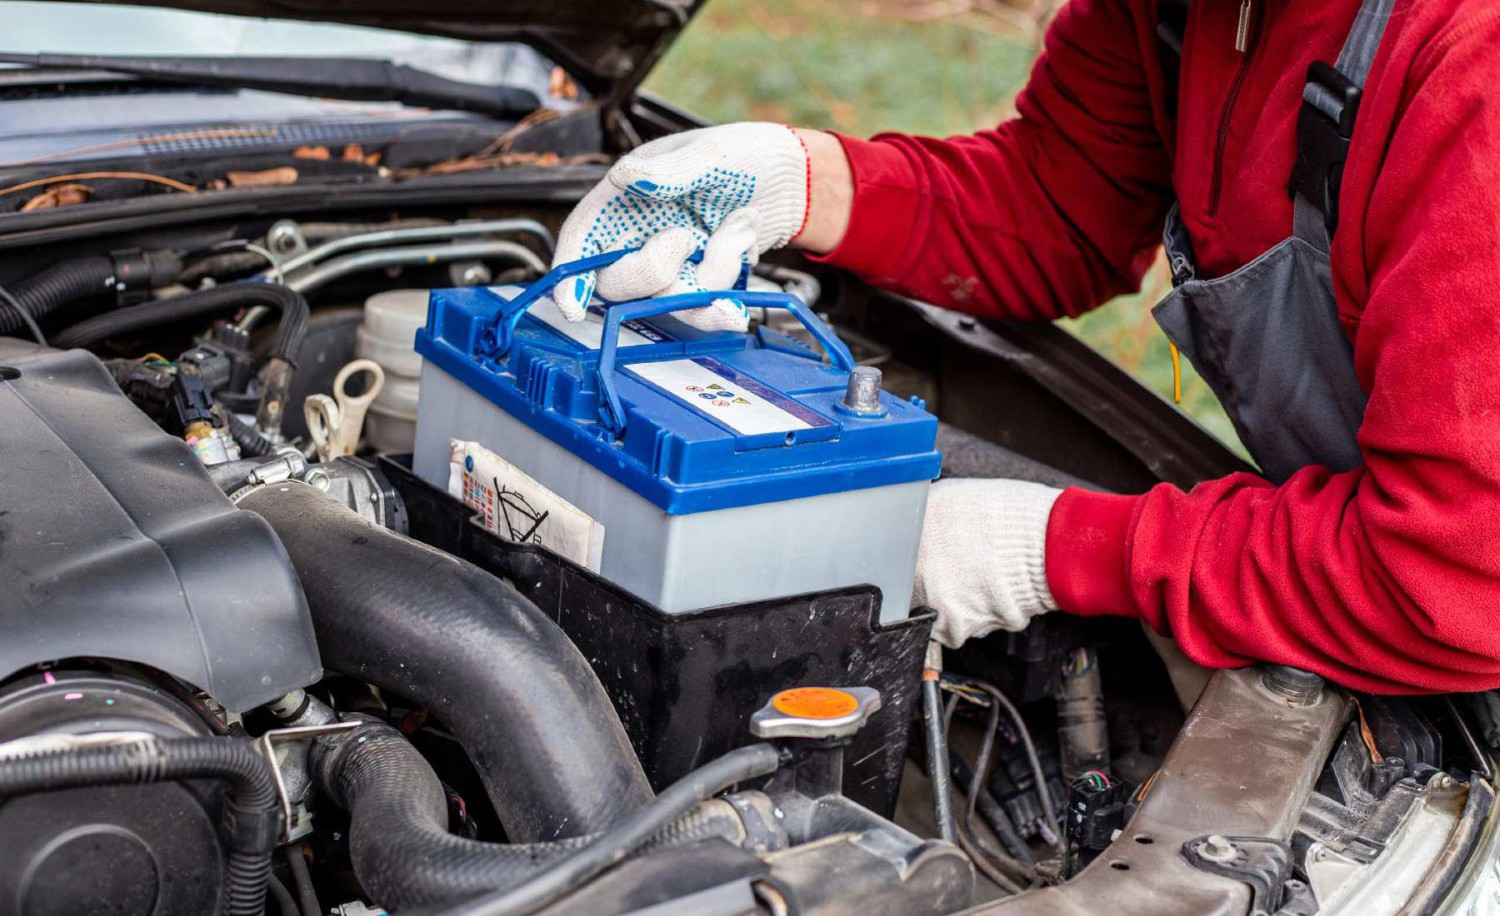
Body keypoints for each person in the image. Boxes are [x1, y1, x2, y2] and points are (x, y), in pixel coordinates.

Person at [551, 0, 1500, 694]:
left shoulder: (1470, 61)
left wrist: (1053, 548)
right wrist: (799, 182)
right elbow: (1060, 205)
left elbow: (1457, 576)